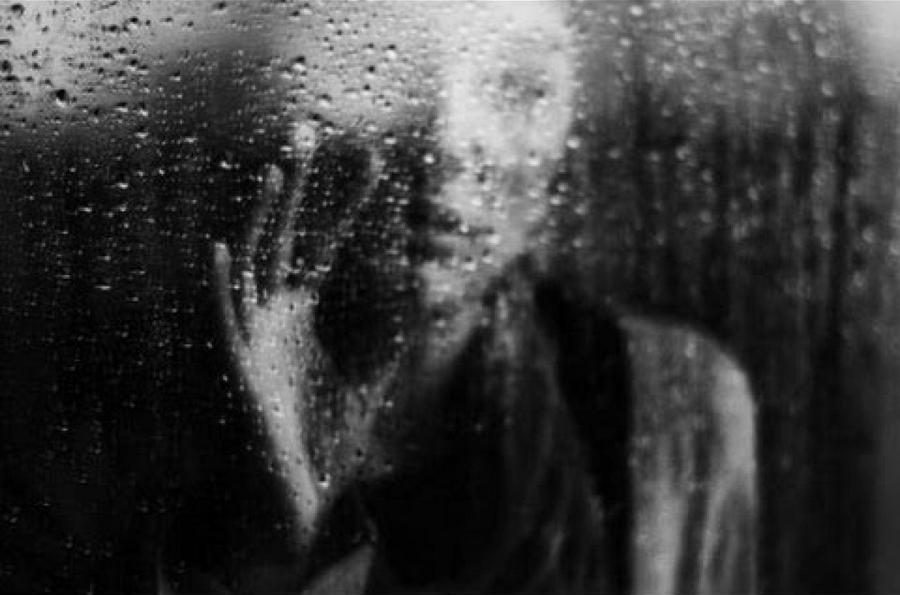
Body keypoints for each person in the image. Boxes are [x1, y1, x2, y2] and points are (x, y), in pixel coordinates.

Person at [209, 2, 757, 594]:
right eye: (396, 76)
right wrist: (288, 533)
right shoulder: (205, 399)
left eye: (518, 86)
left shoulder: (675, 407)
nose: (449, 140)